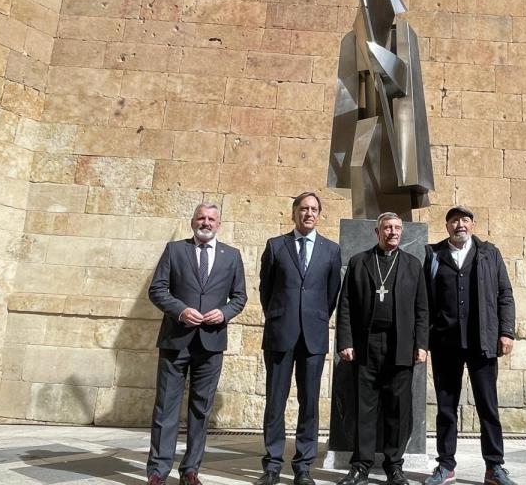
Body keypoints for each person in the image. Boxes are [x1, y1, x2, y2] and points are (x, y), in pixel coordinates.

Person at [146, 202, 247, 485]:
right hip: (176, 340)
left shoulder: (232, 256)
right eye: (201, 218)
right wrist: (180, 310)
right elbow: (157, 289)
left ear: (219, 224)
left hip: (211, 343)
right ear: (193, 222)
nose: (206, 222)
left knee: (201, 409)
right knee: (165, 407)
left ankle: (191, 470)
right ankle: (157, 471)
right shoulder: (174, 250)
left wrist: (224, 313)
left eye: (211, 219)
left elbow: (239, 297)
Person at [423, 206, 517, 485]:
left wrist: (506, 332)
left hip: (482, 342)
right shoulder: (433, 254)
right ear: (447, 226)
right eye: (454, 220)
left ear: (472, 225)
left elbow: (505, 294)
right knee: (446, 408)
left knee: (488, 406)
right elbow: (423, 300)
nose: (459, 224)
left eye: (465, 220)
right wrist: (423, 338)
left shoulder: (490, 253)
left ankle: (494, 467)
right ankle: (446, 465)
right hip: (445, 343)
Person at [256, 192, 343, 485]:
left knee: (309, 403)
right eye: (303, 209)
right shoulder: (276, 246)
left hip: (314, 337)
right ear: (293, 213)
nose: (309, 213)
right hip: (280, 334)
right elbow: (265, 290)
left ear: (319, 215)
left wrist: (313, 317)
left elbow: (331, 295)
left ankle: (303, 466)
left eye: (314, 209)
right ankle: (271, 464)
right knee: (275, 401)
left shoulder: (331, 250)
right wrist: (281, 316)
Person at [336, 212, 429, 485]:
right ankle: (360, 467)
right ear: (377, 232)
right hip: (367, 344)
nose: (393, 232)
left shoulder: (413, 265)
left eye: (397, 228)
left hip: (401, 345)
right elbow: (346, 306)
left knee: (397, 410)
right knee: (364, 408)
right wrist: (346, 341)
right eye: (387, 227)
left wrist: (422, 344)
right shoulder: (359, 262)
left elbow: (422, 309)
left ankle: (394, 467)